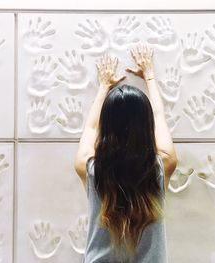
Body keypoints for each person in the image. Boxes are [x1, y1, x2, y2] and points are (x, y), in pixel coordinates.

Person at [74, 43, 177, 263]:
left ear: (107, 126)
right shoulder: (161, 167)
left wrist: (103, 86)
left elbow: (90, 129)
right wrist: (149, 75)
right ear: (146, 127)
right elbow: (159, 117)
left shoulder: (91, 171)